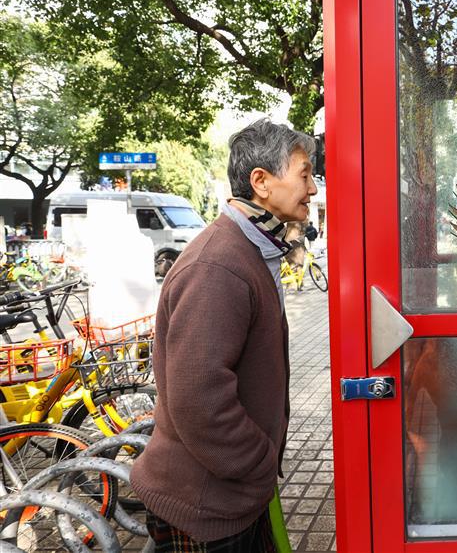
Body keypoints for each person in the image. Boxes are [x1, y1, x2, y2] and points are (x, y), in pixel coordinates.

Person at [131, 119, 317, 551]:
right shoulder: (219, 266)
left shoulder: (248, 248)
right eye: (305, 174)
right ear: (261, 182)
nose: (312, 189)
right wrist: (258, 462)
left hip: (228, 498)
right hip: (205, 507)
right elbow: (199, 398)